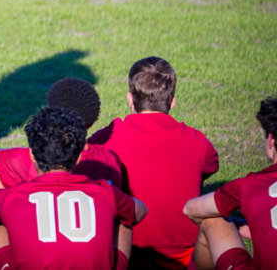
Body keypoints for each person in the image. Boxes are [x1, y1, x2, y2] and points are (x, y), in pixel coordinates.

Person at [0, 77, 128, 269]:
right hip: (91, 252)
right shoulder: (109, 159)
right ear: (90, 123)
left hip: (38, 248)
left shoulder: (26, 159)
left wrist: (14, 150)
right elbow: (134, 211)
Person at [88, 57, 219, 269]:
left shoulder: (108, 137)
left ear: (130, 99)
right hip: (186, 253)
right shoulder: (197, 140)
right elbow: (209, 168)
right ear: (172, 101)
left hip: (128, 251)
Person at [183, 95, 277, 270]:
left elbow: (190, 209)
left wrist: (236, 222)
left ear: (271, 140)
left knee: (211, 221)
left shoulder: (251, 185)